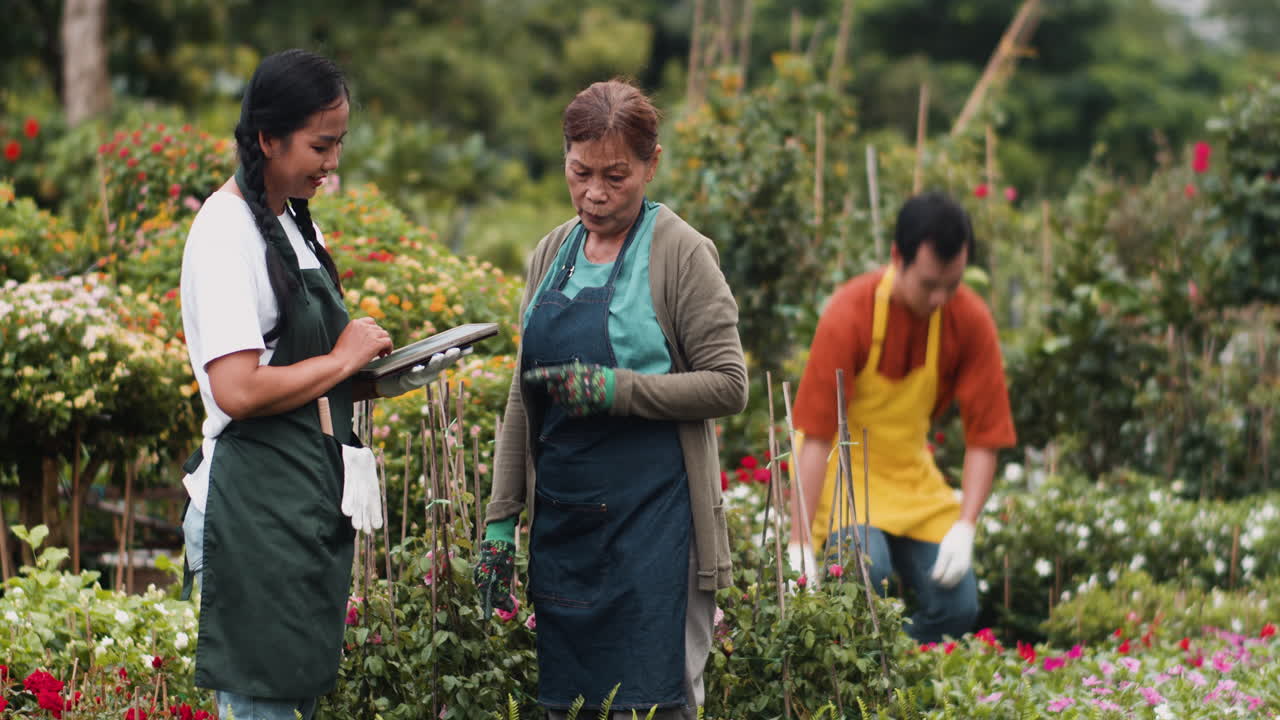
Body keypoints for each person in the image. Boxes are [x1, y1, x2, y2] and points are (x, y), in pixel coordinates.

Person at [178, 49, 456, 720]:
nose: (331, 162)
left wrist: (378, 374)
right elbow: (238, 390)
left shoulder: (292, 221)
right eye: (319, 145)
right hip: (253, 512)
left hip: (301, 505)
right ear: (268, 139)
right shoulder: (224, 232)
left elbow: (306, 374)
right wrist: (340, 358)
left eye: (339, 144)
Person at [474, 79, 747, 719]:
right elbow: (523, 394)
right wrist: (501, 518)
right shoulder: (553, 253)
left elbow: (729, 383)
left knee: (653, 704)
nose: (595, 193)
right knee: (570, 706)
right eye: (580, 173)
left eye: (615, 176)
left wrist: (618, 390)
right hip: (567, 531)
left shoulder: (681, 255)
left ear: (652, 165)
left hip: (657, 530)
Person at [787, 191, 1015, 644]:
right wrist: (798, 544)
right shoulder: (850, 313)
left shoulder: (968, 318)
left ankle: (891, 669)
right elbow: (815, 436)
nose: (940, 297)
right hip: (843, 478)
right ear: (897, 258)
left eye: (952, 284)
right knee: (866, 573)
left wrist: (966, 526)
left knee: (958, 606)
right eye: (929, 284)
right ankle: (862, 668)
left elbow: (985, 436)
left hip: (911, 479)